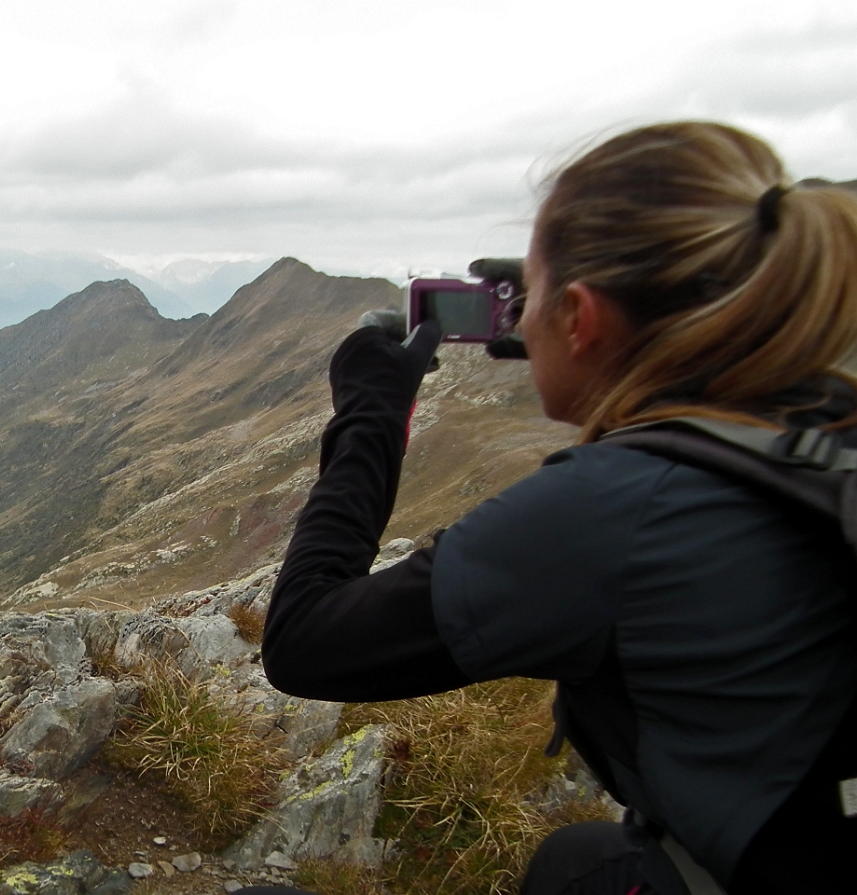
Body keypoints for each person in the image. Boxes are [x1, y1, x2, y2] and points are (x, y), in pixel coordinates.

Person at [256, 122, 857, 895]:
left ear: (581, 315)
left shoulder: (611, 512)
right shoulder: (825, 420)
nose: (520, 315)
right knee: (582, 857)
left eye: (534, 298)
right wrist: (583, 341)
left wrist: (370, 418)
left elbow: (304, 642)